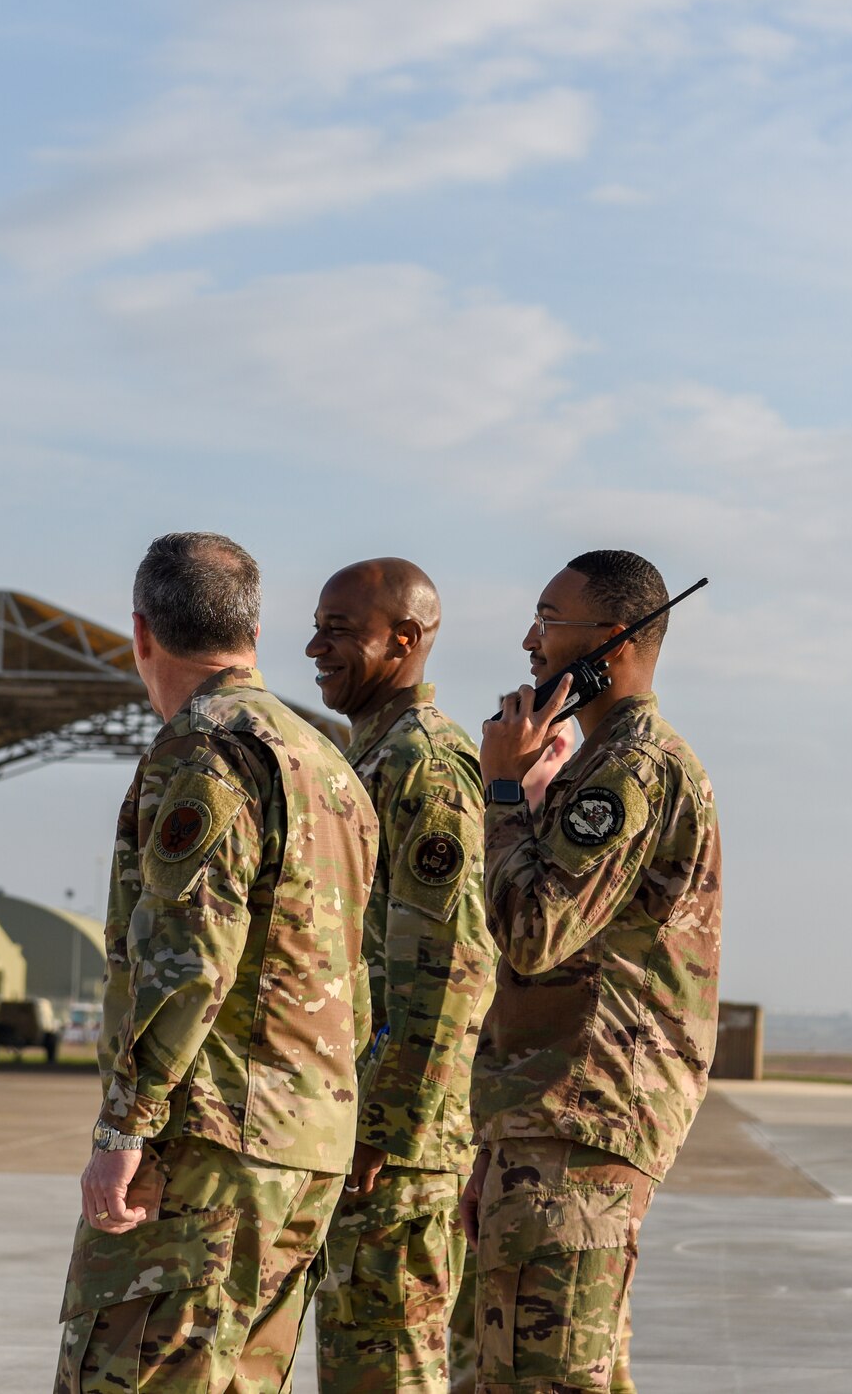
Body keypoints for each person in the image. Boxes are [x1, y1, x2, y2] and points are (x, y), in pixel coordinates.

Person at [55, 532, 377, 1394]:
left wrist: (127, 1125)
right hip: (306, 1146)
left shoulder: (205, 750)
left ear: (142, 634)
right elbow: (358, 968)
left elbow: (189, 960)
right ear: (255, 633)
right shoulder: (330, 765)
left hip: (209, 1148)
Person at [467, 549, 723, 1394]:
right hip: (550, 1117)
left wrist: (503, 790)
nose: (530, 639)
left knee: (538, 1377)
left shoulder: (629, 768)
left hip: (578, 1120)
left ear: (609, 640)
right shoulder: (603, 762)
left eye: (549, 619)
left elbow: (536, 930)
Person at [305, 558, 495, 1394]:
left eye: (340, 630)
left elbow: (451, 961)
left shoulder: (419, 763)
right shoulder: (369, 757)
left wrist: (385, 1124)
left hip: (399, 1148)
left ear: (406, 640)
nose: (314, 646)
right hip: (369, 1130)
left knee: (389, 1366)